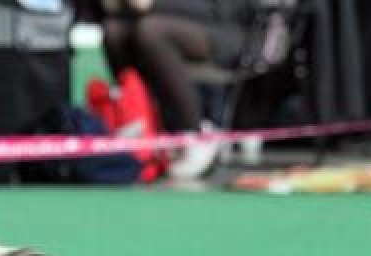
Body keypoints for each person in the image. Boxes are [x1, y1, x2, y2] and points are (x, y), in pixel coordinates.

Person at [83, 0, 249, 179]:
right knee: (114, 30)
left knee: (150, 31)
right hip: (161, 21)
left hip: (223, 29)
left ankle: (193, 133)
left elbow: (226, 10)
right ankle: (142, 124)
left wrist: (154, 4)